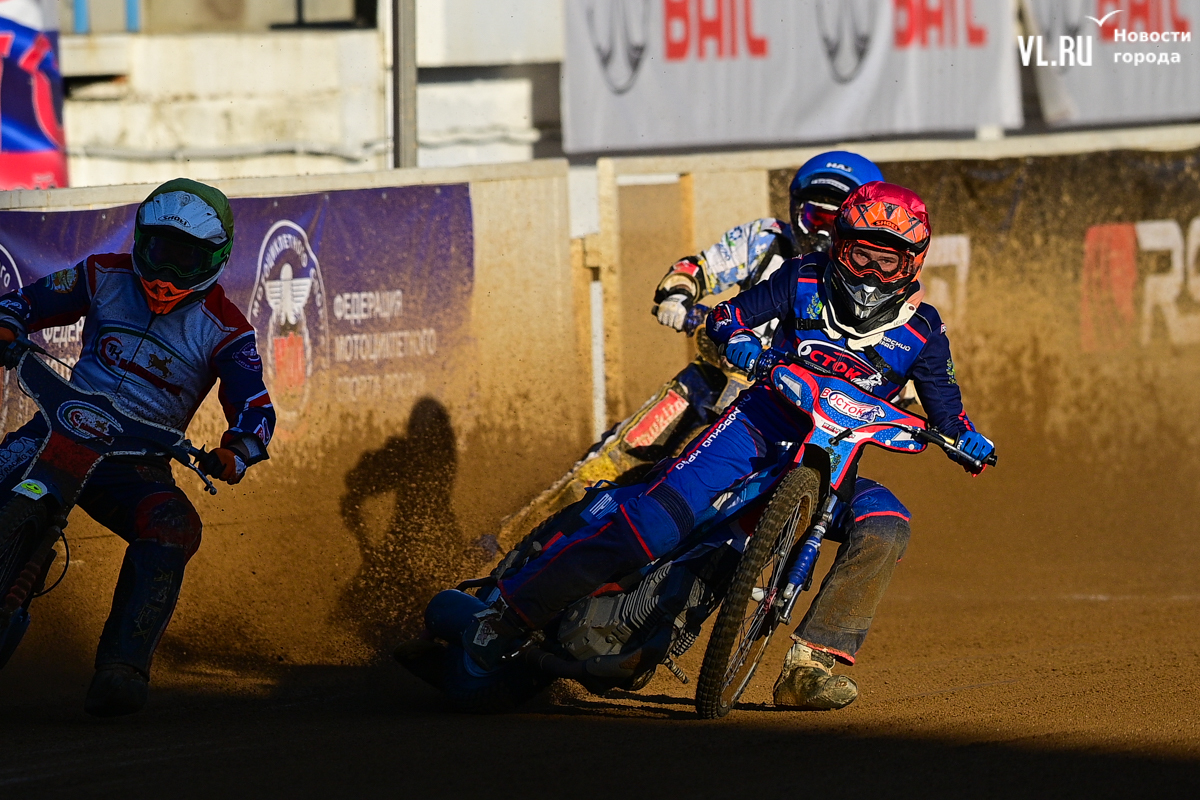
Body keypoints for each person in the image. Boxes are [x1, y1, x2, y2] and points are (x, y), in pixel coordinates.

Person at [466, 181, 995, 711]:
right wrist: (740, 342)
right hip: (753, 430)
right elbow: (727, 318)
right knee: (650, 525)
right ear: (840, 246)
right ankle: (506, 616)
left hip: (834, 466)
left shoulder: (925, 332)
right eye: (863, 255)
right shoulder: (802, 277)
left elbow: (949, 415)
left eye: (889, 261)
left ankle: (810, 666)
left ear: (913, 263)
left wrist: (967, 440)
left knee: (888, 523)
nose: (873, 274)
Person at [493, 152, 885, 550]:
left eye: (834, 221)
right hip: (708, 381)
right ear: (795, 208)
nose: (821, 233)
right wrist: (678, 296)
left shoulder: (877, 286)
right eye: (815, 217)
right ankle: (508, 543)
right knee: (615, 458)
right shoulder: (764, 238)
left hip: (787, 410)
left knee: (753, 504)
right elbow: (698, 268)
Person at [0, 178, 275, 716]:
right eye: (160, 250)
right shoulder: (102, 274)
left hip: (136, 464)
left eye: (185, 258)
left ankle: (122, 668)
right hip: (57, 428)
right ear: (140, 241)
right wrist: (8, 324)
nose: (167, 271)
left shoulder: (228, 331)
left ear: (215, 259)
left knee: (174, 526)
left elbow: (255, 408)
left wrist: (237, 451)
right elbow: (26, 302)